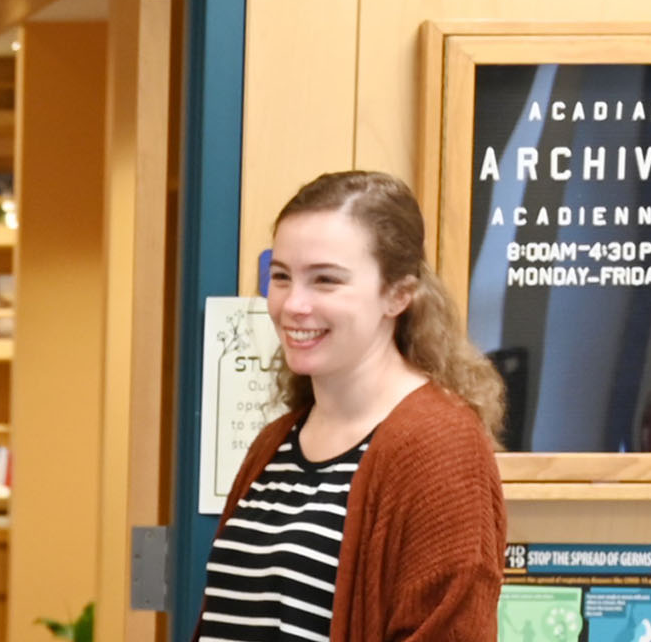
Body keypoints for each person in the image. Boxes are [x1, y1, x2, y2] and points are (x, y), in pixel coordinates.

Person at [196, 171, 506, 642]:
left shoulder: (440, 447)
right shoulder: (273, 443)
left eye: (325, 280)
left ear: (398, 294)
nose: (293, 304)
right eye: (280, 277)